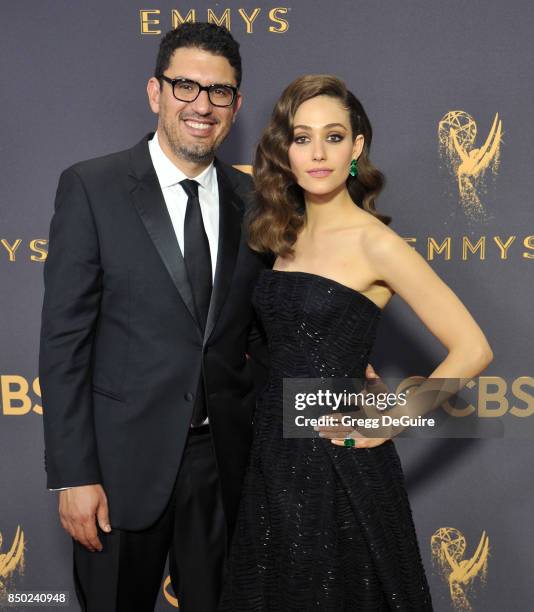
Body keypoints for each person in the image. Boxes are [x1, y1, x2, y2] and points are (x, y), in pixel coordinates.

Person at [218, 75, 493, 610]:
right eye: (301, 138)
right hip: (271, 459)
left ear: (357, 147)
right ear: (286, 149)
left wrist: (390, 417)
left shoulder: (377, 244)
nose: (318, 153)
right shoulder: (282, 232)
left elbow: (473, 348)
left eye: (334, 136)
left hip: (337, 464)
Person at [39, 23, 271, 612]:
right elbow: (64, 343)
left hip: (223, 469)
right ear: (155, 92)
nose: (202, 104)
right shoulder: (93, 187)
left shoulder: (255, 204)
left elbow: (264, 331)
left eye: (219, 92)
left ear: (236, 105)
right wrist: (73, 475)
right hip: (118, 471)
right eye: (185, 86)